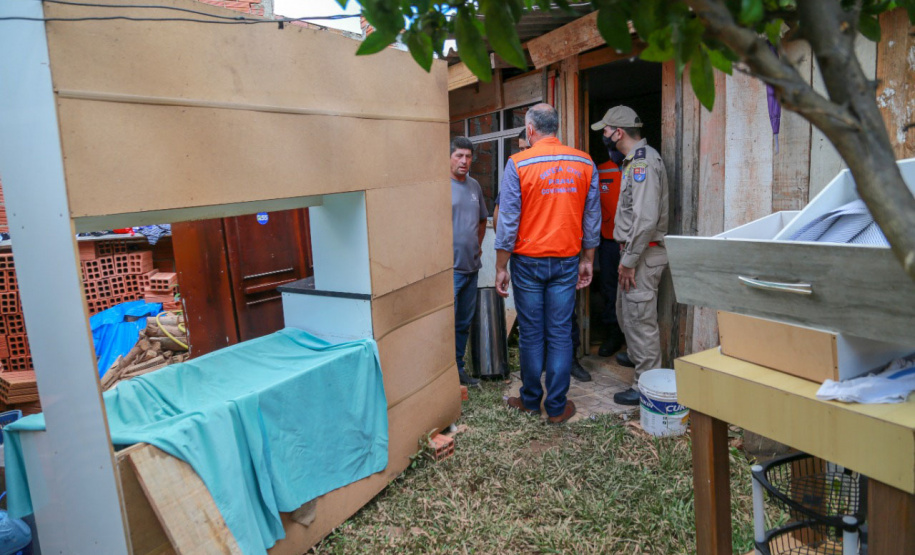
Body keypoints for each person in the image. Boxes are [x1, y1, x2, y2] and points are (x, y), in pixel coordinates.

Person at [495, 104, 601, 424]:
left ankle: (530, 401)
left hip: (528, 263)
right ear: (555, 127)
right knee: (558, 333)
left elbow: (508, 222)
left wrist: (501, 267)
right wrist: (588, 259)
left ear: (530, 131)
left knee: (530, 334)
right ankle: (556, 407)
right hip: (567, 261)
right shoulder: (584, 162)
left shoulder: (518, 163)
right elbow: (591, 217)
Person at [590, 106, 669, 406]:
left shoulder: (642, 164)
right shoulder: (631, 162)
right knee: (628, 315)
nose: (605, 137)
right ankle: (638, 357)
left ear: (618, 132)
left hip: (643, 254)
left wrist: (628, 260)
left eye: (606, 131)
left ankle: (645, 386)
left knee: (640, 321)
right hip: (637, 252)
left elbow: (646, 220)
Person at [450, 137, 488, 387]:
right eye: (459, 156)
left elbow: (483, 219)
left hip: (471, 267)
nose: (464, 161)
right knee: (445, 324)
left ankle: (458, 371)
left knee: (463, 323)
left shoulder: (474, 186)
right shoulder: (439, 186)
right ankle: (442, 375)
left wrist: (477, 246)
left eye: (468, 156)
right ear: (450, 157)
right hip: (448, 270)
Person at [595, 147, 627, 358]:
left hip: (632, 242)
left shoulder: (637, 167)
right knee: (609, 290)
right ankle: (613, 335)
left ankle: (633, 342)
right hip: (607, 241)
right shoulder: (601, 170)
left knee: (633, 292)